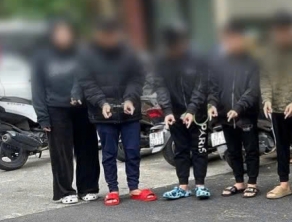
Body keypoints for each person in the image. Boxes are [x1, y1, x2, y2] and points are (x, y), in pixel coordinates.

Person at [77, 17, 153, 206]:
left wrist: (129, 99)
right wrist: (102, 103)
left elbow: (137, 78)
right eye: (105, 35)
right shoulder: (88, 56)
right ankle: (113, 189)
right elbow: (87, 83)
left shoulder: (129, 53)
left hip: (129, 111)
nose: (110, 39)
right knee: (109, 153)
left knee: (132, 150)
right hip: (103, 113)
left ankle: (134, 187)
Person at [31, 19, 99, 204]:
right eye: (59, 33)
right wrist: (43, 117)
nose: (64, 37)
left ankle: (88, 188)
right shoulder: (42, 57)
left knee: (87, 149)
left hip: (82, 108)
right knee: (61, 153)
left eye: (67, 33)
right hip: (56, 109)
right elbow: (37, 88)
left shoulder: (82, 53)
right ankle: (64, 191)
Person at [153, 24, 212, 201]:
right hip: (176, 113)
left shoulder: (198, 58)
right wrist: (167, 111)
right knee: (180, 150)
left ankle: (200, 185)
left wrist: (192, 110)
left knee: (199, 149)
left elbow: (202, 86)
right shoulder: (162, 61)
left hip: (197, 114)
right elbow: (160, 86)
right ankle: (183, 187)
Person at [262, 11, 292, 200]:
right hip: (276, 107)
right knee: (281, 147)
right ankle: (284, 184)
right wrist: (266, 99)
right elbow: (264, 77)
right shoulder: (268, 51)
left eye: (285, 31)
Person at [209, 21, 262, 199]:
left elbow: (253, 90)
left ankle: (252, 183)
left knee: (251, 149)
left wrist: (238, 108)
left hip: (246, 115)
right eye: (228, 39)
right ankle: (239, 182)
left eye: (235, 39)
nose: (232, 43)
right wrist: (212, 104)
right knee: (232, 150)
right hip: (225, 115)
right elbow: (214, 87)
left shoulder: (252, 62)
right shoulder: (220, 63)